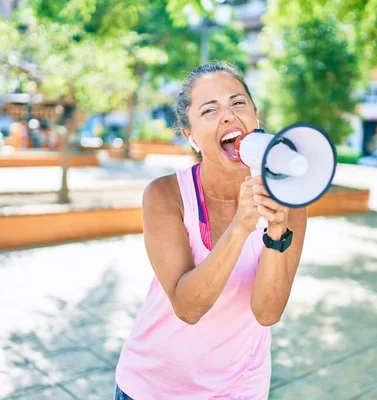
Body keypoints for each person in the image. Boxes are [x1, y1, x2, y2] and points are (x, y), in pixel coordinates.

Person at [113, 62, 307, 399]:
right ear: (190, 136)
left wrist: (276, 232)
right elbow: (188, 308)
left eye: (238, 103)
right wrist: (239, 229)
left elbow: (267, 312)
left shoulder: (290, 199)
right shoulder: (165, 195)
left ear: (256, 116)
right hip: (153, 387)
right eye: (210, 110)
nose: (229, 116)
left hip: (240, 388)